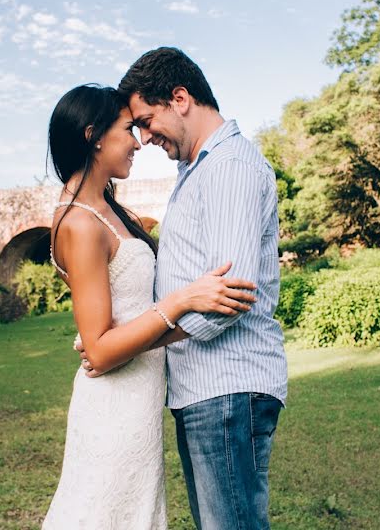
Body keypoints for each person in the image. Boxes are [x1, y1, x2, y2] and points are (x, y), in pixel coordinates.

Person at [83, 47, 289, 529]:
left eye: (146, 120)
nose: (143, 136)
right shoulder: (199, 170)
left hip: (228, 389)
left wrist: (126, 344)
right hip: (205, 390)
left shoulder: (229, 168)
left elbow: (226, 300)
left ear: (180, 98)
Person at [41, 84, 258, 529]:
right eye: (128, 129)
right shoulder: (80, 223)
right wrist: (182, 300)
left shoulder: (109, 211)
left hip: (140, 398)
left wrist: (194, 297)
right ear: (93, 136)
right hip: (114, 406)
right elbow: (100, 350)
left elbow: (136, 294)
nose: (138, 141)